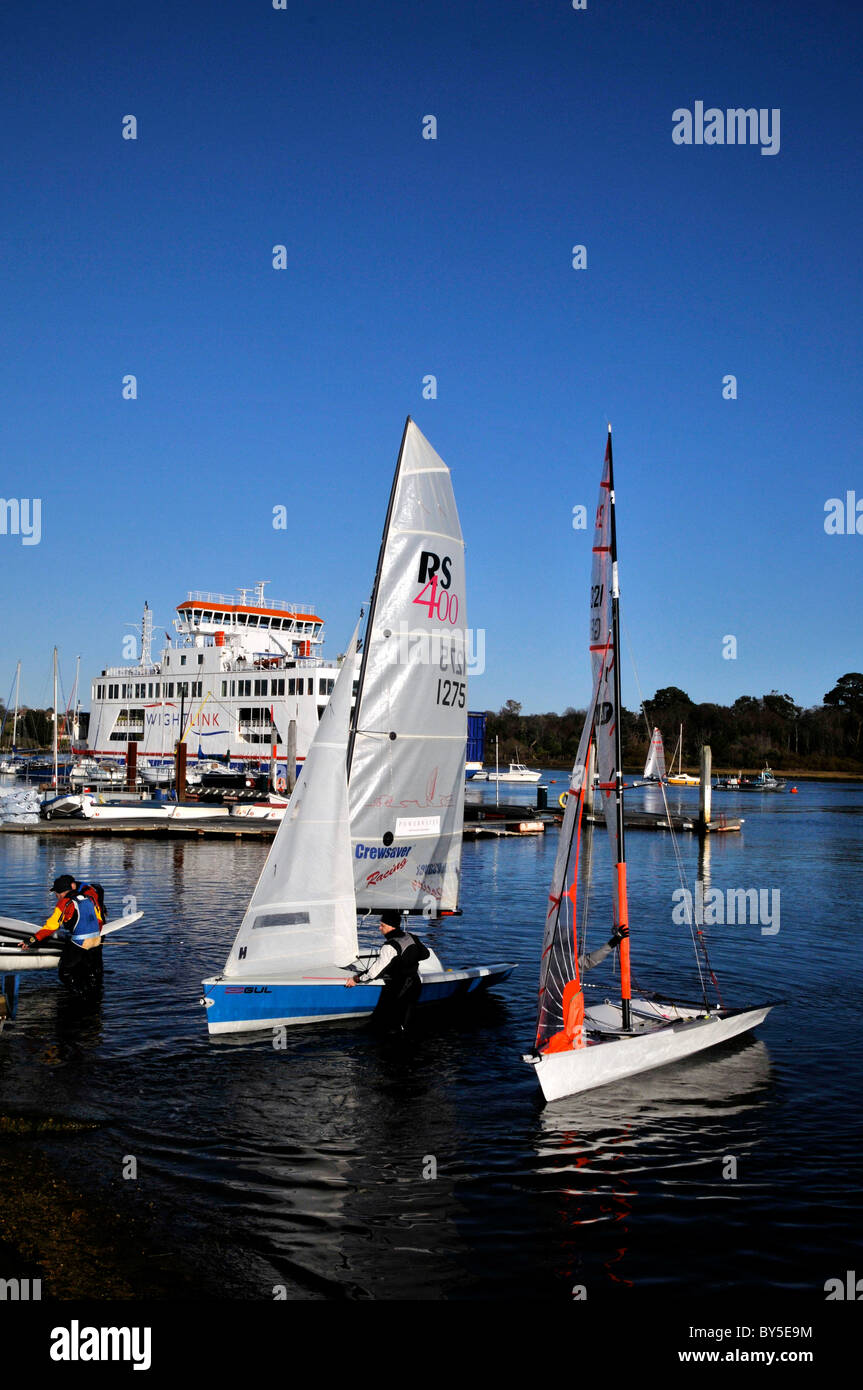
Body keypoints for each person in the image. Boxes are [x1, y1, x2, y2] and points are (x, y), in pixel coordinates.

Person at [344, 909, 430, 1034]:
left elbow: (373, 973)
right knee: (406, 1022)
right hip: (415, 985)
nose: (380, 928)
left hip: (400, 987)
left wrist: (355, 979)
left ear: (391, 926)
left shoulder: (390, 946)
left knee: (392, 1025)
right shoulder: (411, 937)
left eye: (382, 925)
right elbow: (425, 955)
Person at [20, 874, 106, 998]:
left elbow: (51, 926)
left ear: (59, 893)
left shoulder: (64, 903)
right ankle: (93, 993)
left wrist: (31, 940)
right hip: (97, 940)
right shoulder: (89, 898)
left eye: (55, 893)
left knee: (64, 972)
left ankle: (81, 996)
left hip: (81, 942)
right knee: (88, 971)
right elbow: (99, 921)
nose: (56, 896)